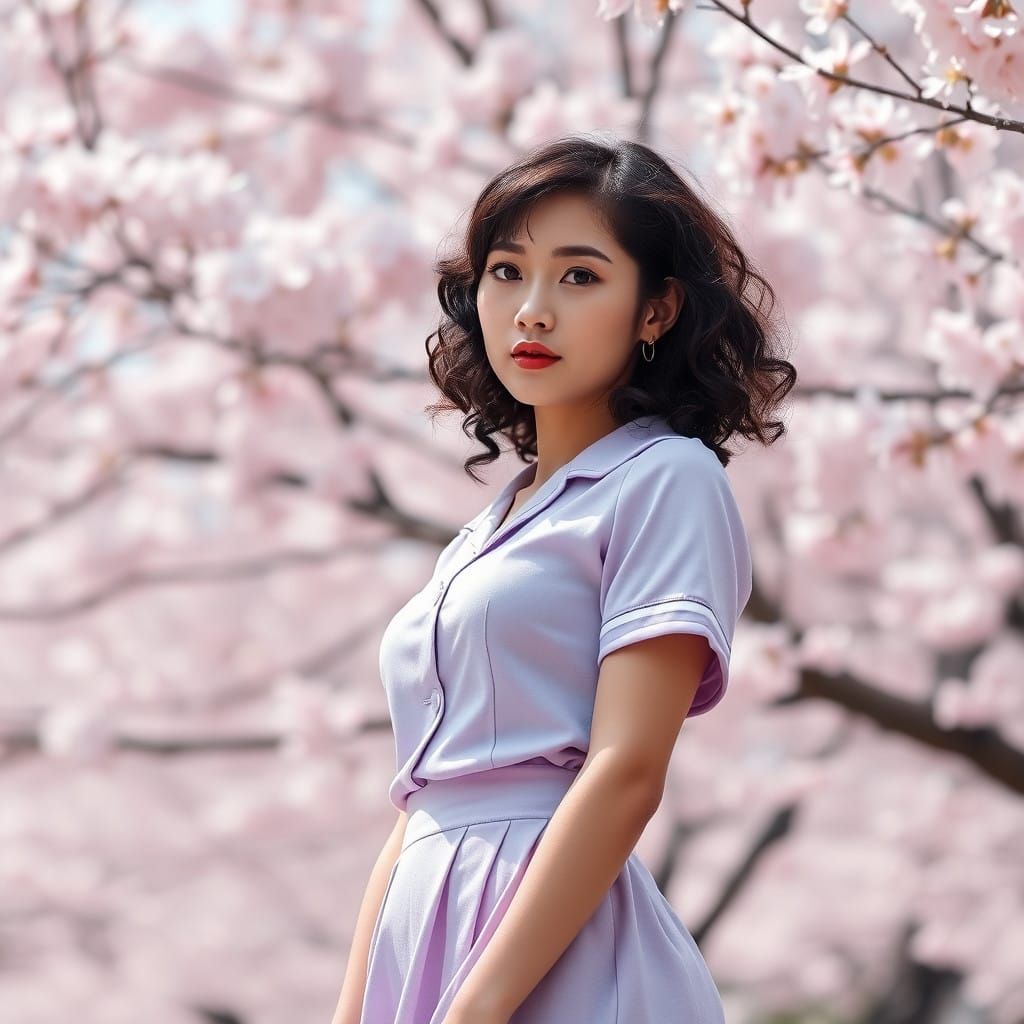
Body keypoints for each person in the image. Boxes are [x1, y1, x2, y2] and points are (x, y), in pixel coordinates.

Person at [331, 132, 797, 1024]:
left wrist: (476, 1009)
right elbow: (420, 801)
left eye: (579, 277)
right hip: (422, 924)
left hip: (549, 952)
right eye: (507, 273)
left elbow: (627, 770)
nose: (531, 311)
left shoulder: (668, 479)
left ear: (656, 310)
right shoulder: (484, 530)